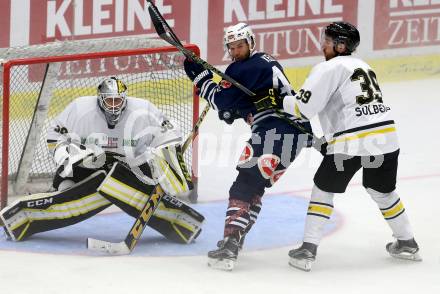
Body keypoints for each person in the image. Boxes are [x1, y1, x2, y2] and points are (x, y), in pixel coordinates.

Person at [251, 21, 421, 271]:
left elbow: (303, 110)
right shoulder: (364, 65)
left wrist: (277, 101)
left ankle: (307, 250)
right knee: (382, 191)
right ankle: (407, 242)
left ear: (341, 46)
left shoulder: (328, 68)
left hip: (353, 141)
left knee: (323, 189)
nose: (323, 44)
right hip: (386, 137)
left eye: (328, 41)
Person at [0, 77, 204, 244]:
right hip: (90, 162)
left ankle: (181, 223)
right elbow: (55, 137)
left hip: (132, 165)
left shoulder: (143, 109)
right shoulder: (80, 109)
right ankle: (35, 212)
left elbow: (169, 133)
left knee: (116, 181)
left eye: (118, 101)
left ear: (125, 99)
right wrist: (72, 156)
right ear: (100, 99)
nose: (114, 106)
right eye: (109, 101)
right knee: (66, 188)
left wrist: (166, 161)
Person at [183, 23, 312, 270]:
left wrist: (200, 76)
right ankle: (236, 237)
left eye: (240, 46)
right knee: (255, 187)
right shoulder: (263, 63)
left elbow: (222, 100)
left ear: (251, 43)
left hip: (274, 130)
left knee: (242, 184)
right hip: (296, 134)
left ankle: (230, 245)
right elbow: (246, 102)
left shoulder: (245, 67)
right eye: (231, 47)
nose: (236, 51)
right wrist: (237, 109)